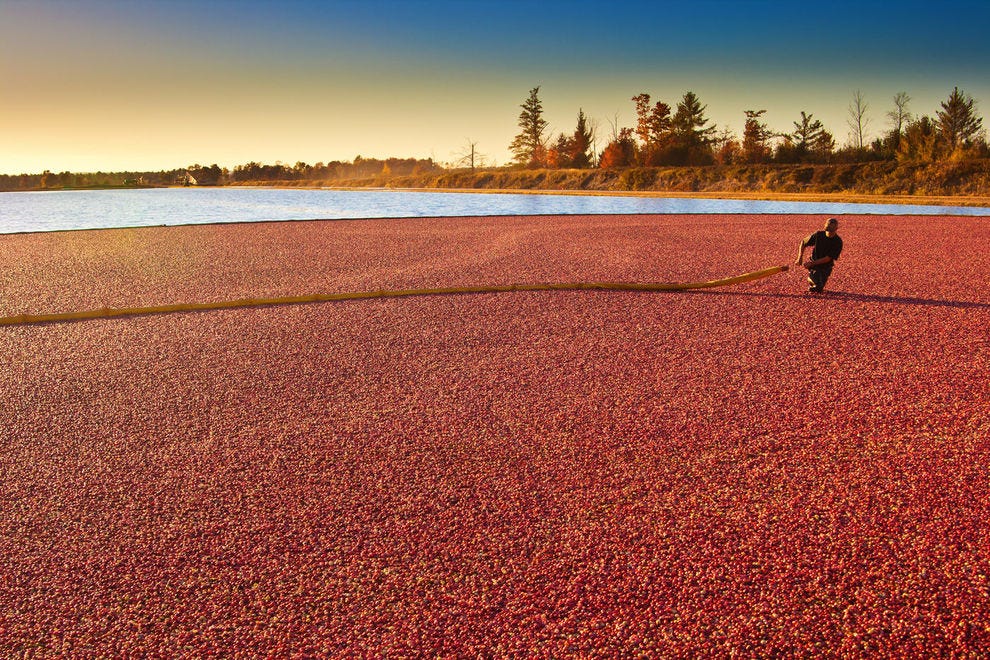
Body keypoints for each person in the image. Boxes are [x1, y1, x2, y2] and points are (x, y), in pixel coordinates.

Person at [796, 218, 843, 293]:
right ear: (825, 226)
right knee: (817, 283)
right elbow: (803, 242)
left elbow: (828, 258)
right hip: (814, 265)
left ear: (836, 228)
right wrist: (799, 258)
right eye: (828, 225)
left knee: (819, 287)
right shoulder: (818, 235)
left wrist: (811, 263)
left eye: (832, 226)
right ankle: (812, 277)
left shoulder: (838, 242)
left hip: (826, 267)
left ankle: (814, 281)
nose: (829, 227)